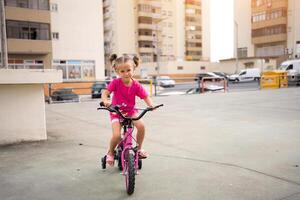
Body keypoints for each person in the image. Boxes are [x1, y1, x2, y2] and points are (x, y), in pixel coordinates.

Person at [101, 54, 154, 166]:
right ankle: (110, 152)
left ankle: (138, 149)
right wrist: (106, 101)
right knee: (117, 136)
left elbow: (145, 96)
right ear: (117, 72)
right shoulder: (115, 83)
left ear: (133, 69)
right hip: (116, 112)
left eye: (128, 70)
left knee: (141, 126)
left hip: (131, 112)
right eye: (122, 71)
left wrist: (150, 105)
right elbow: (105, 93)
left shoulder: (136, 85)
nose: (126, 73)